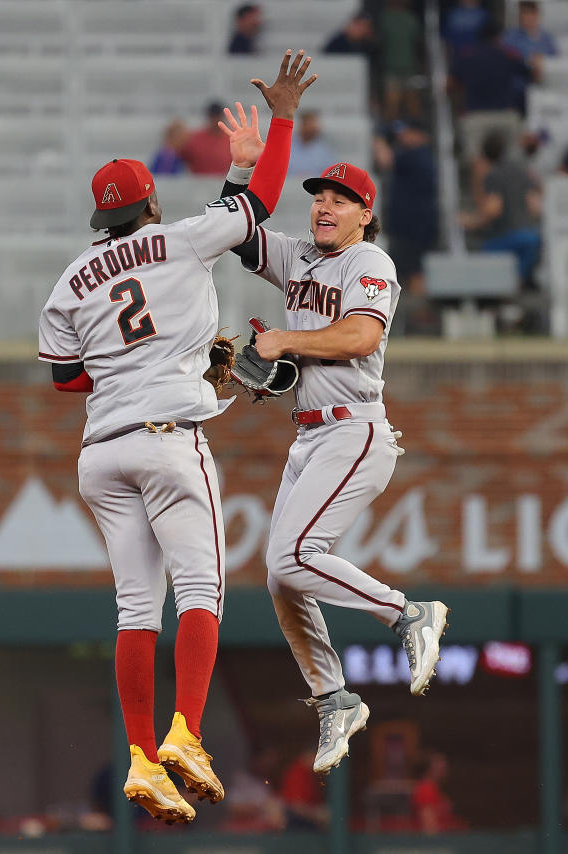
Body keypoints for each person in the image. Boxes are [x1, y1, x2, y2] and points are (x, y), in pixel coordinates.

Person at [37, 50, 317, 824]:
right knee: (200, 591)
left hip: (102, 452)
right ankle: (185, 735)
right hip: (168, 436)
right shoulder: (181, 239)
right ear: (153, 203)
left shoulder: (70, 280)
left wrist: (134, 366)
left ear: (103, 217)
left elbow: (66, 380)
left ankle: (139, 759)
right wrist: (280, 122)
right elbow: (258, 203)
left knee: (136, 608)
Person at [219, 150, 450, 776]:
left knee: (294, 557)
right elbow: (232, 229)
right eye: (319, 196)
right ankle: (333, 697)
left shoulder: (369, 259)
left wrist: (287, 341)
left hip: (355, 430)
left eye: (340, 199)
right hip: (310, 436)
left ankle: (407, 613)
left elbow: (361, 336)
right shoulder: (297, 255)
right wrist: (243, 171)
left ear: (363, 214)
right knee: (280, 575)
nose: (325, 205)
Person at [463, 130, 542, 286]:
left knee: (480, 251)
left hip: (505, 237)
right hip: (530, 237)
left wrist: (469, 221)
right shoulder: (520, 171)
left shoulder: (493, 175)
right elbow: (535, 207)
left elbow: (493, 210)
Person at [448, 20, 531, 167]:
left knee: (477, 161)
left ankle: (480, 190)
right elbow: (531, 75)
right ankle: (512, 189)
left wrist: (459, 104)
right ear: (498, 37)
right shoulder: (508, 53)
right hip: (505, 114)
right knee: (513, 160)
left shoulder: (466, 54)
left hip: (475, 114)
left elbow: (450, 85)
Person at [374, 119, 437, 294]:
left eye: (407, 132)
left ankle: (419, 311)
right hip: (414, 223)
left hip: (414, 225)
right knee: (411, 270)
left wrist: (379, 138)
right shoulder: (422, 154)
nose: (402, 137)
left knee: (414, 271)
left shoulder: (416, 154)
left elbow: (384, 160)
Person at [379, 0, 424, 121]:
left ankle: (416, 129)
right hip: (391, 68)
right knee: (392, 103)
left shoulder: (411, 18)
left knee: (413, 101)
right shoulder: (384, 18)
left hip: (410, 67)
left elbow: (418, 44)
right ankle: (390, 132)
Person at [411, 752, 461, 834]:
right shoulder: (425, 789)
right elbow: (429, 826)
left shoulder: (435, 789)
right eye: (440, 765)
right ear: (430, 769)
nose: (445, 768)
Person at [181, 102, 236, 175]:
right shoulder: (196, 138)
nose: (215, 119)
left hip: (223, 182)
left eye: (217, 116)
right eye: (212, 116)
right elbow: (182, 157)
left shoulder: (232, 139)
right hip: (199, 182)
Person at [288, 110, 337, 177]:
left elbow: (329, 173)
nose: (312, 128)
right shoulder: (288, 146)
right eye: (309, 124)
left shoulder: (325, 149)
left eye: (314, 124)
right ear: (302, 125)